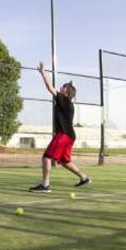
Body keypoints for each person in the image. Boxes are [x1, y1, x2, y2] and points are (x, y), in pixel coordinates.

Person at [29, 62, 91, 193]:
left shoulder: (64, 99)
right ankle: (84, 178)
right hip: (69, 136)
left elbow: (50, 87)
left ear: (67, 92)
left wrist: (42, 72)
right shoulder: (67, 102)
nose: (61, 87)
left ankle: (45, 185)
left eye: (64, 86)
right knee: (64, 161)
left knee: (46, 157)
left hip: (64, 134)